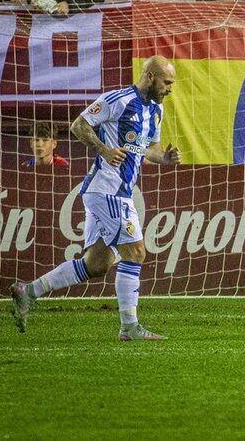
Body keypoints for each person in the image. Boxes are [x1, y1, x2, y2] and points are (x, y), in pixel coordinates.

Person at [10, 56, 182, 340]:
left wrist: (164, 157)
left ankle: (29, 291)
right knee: (136, 252)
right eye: (167, 82)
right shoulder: (119, 99)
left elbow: (148, 149)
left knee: (98, 263)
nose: (170, 89)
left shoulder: (155, 111)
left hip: (119, 193)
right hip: (106, 190)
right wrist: (104, 150)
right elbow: (79, 125)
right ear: (150, 77)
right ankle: (129, 328)